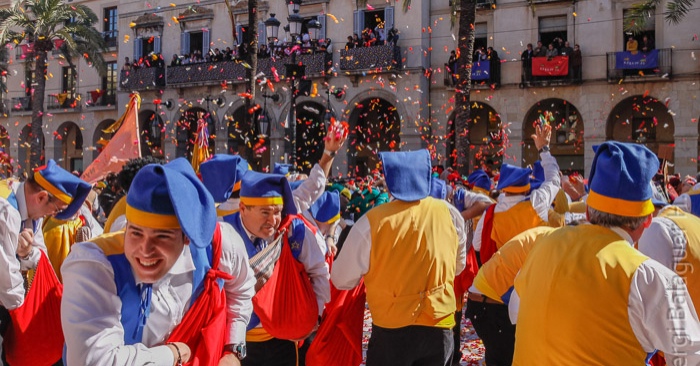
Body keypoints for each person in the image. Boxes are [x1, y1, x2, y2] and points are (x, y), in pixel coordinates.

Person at [512, 141, 700, 364]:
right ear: (648, 219)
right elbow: (690, 357)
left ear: (589, 212)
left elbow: (515, 312)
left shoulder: (542, 245)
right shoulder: (651, 278)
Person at [61, 158, 256, 365]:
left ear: (187, 237)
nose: (145, 250)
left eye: (162, 237)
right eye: (135, 233)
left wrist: (233, 349)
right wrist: (172, 354)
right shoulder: (94, 265)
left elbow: (242, 289)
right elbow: (94, 361)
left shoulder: (219, 245)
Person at [332, 149, 467, 366]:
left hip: (391, 329)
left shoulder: (370, 222)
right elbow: (458, 266)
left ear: (389, 181)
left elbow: (341, 279)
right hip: (439, 324)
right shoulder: (450, 214)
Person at [231, 171, 330, 366]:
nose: (273, 220)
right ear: (243, 208)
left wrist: (313, 317)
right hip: (239, 342)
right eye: (265, 213)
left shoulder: (294, 230)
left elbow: (319, 272)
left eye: (277, 212)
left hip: (284, 339)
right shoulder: (224, 234)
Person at [0, 159, 91, 364]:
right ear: (41, 197)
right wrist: (26, 324)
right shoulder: (7, 210)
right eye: (57, 210)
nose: (54, 215)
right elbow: (6, 278)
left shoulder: (31, 211)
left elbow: (40, 255)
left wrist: (27, 253)